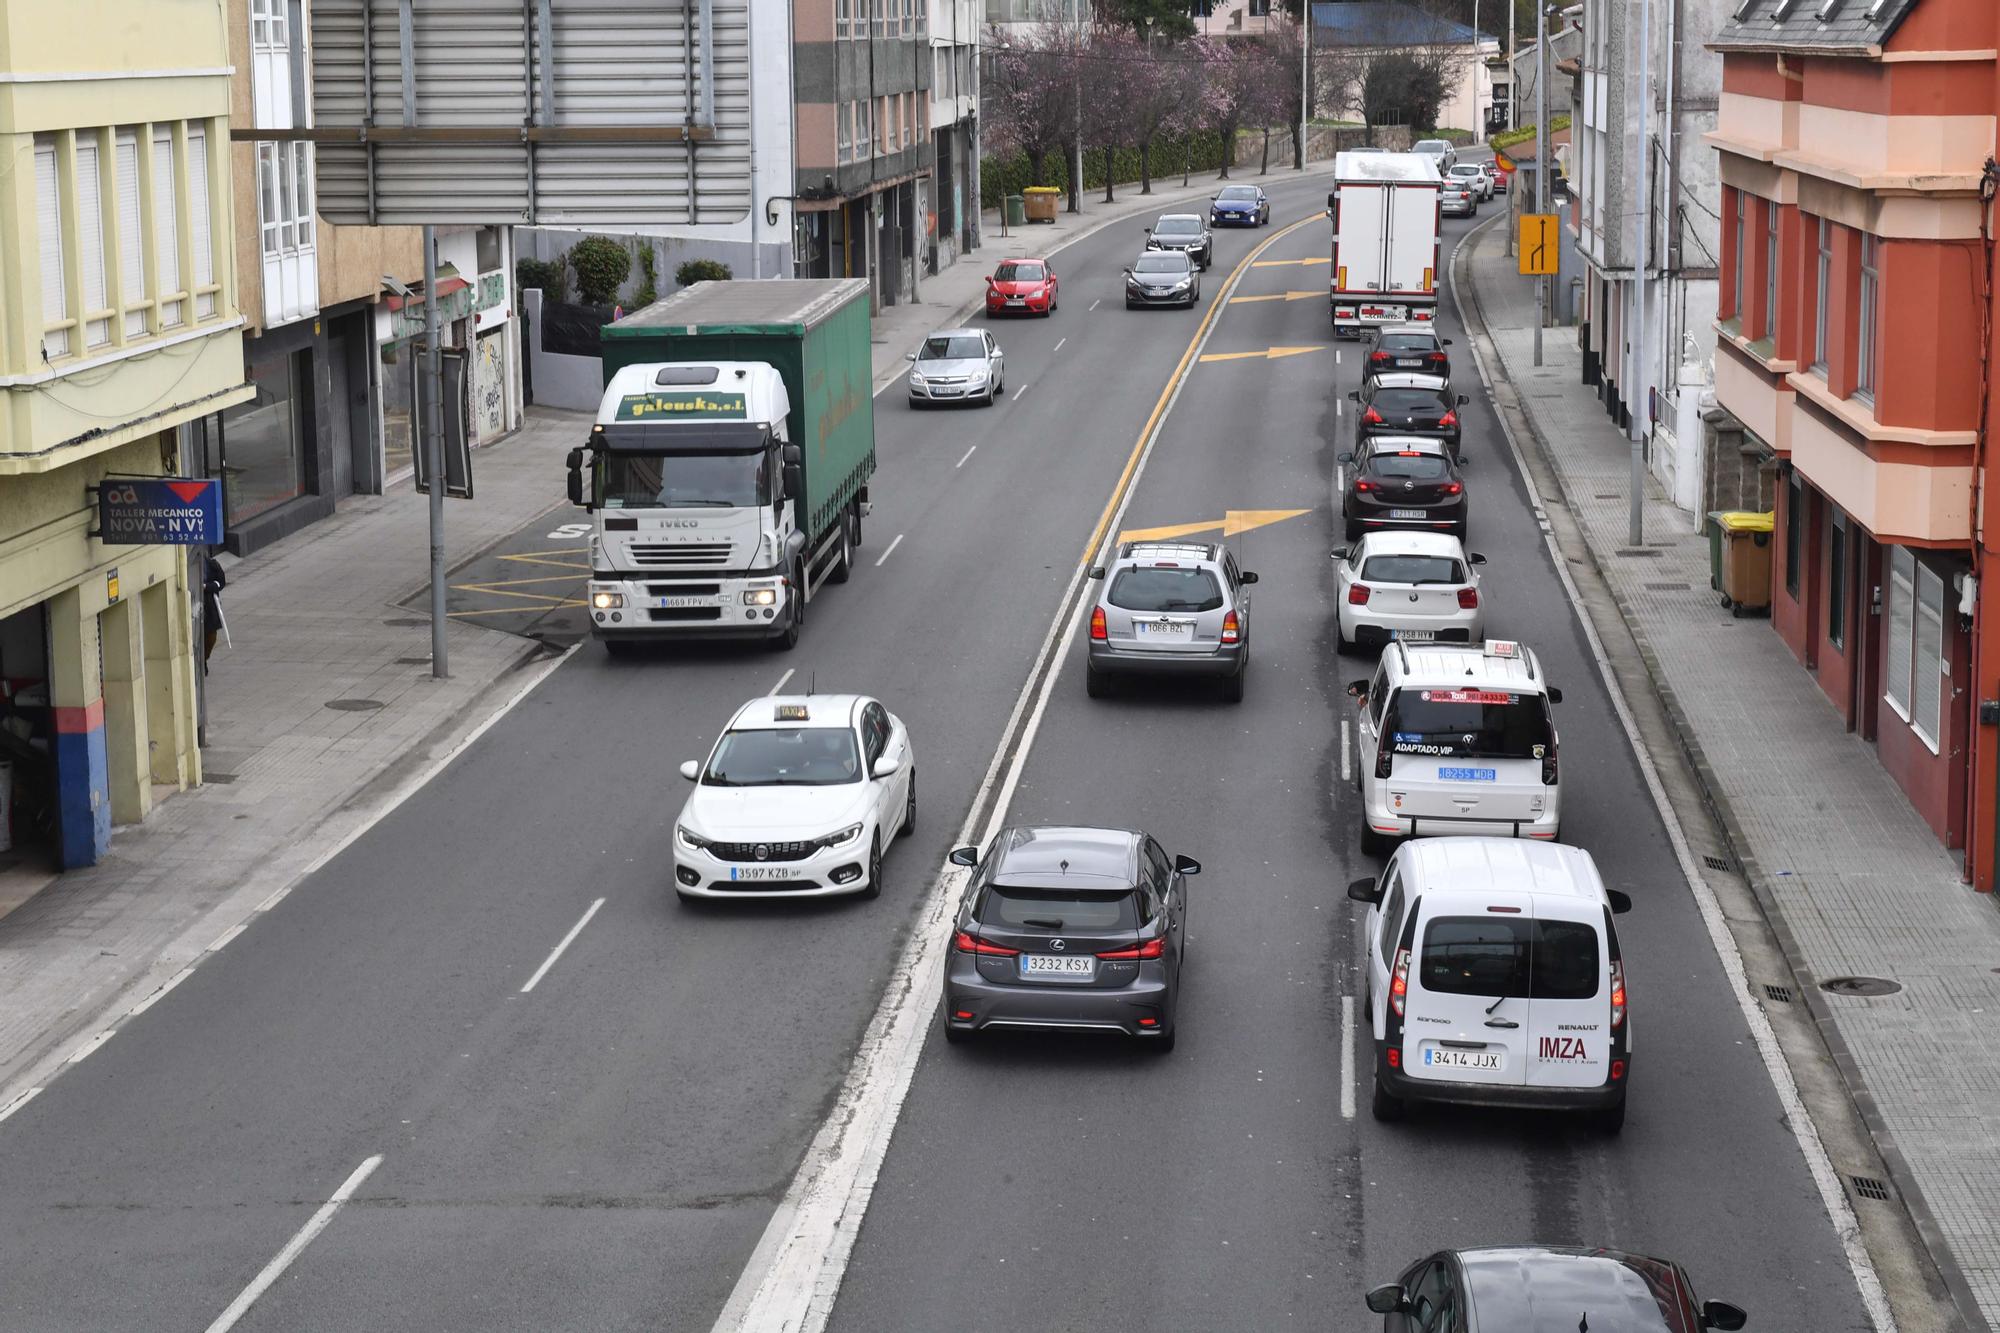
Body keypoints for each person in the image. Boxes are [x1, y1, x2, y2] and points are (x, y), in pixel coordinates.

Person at [201, 552, 226, 669]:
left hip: (210, 606)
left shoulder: (212, 564)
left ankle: (204, 659)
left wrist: (207, 587)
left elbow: (220, 583)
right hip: (195, 604)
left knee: (211, 637)